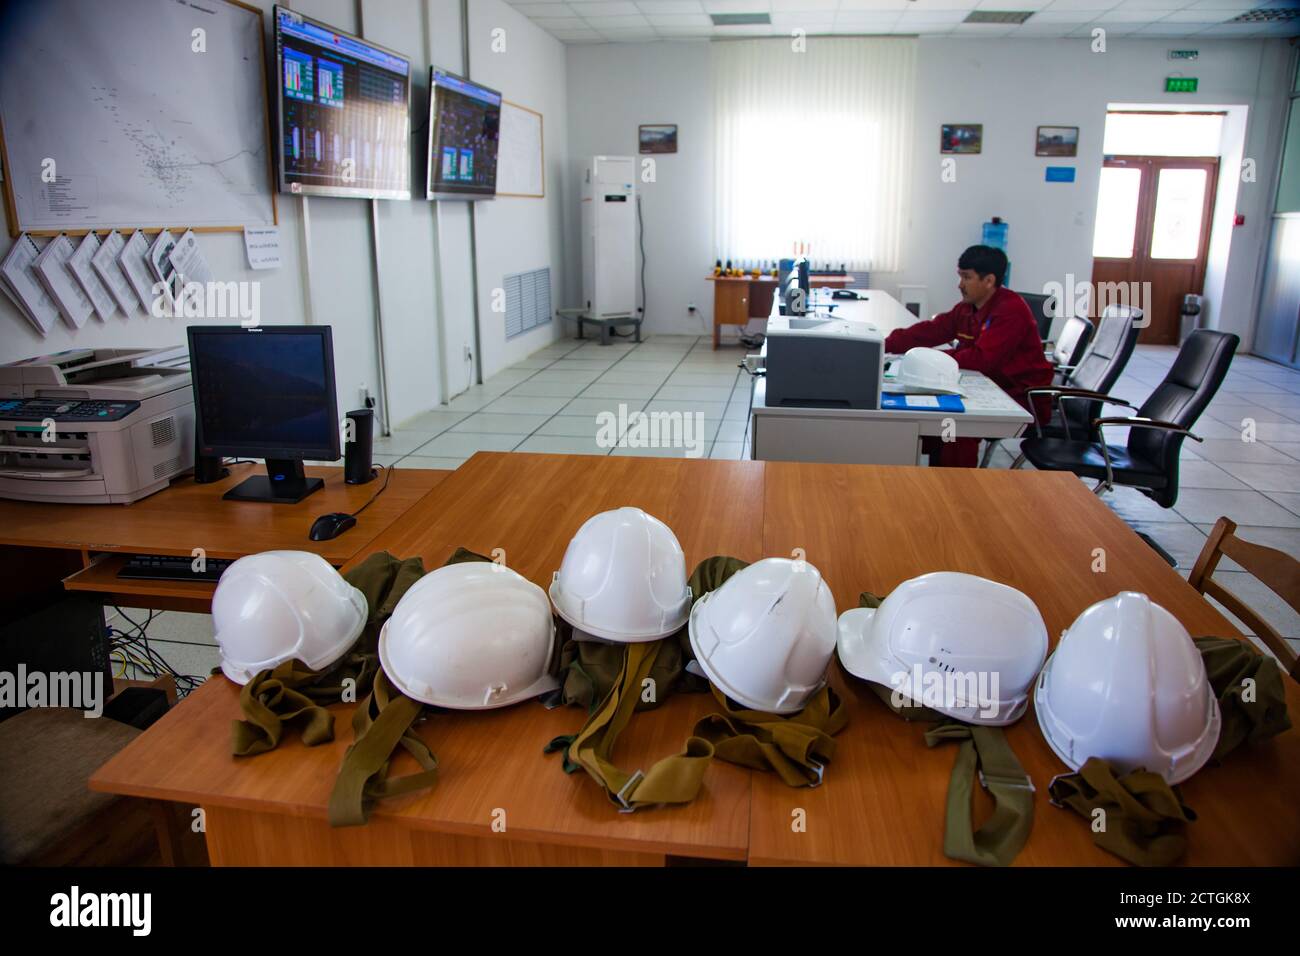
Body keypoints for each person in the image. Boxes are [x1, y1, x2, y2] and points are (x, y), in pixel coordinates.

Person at [885, 245, 1053, 468]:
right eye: (960, 276)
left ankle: (957, 492)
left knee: (956, 426)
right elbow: (931, 330)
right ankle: (936, 482)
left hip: (1020, 397)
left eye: (967, 277)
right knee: (936, 419)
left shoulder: (1010, 310)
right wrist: (884, 344)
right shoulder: (967, 308)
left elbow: (981, 359)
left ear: (989, 280)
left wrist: (929, 358)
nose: (960, 284)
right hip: (987, 386)